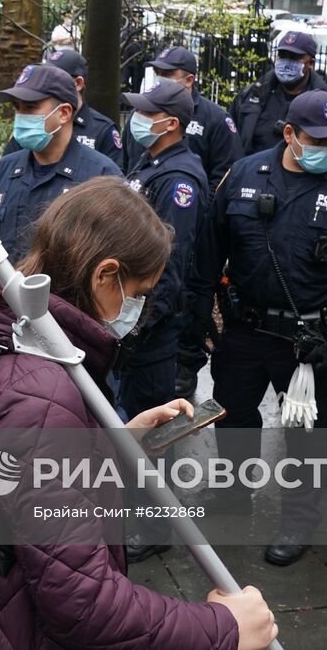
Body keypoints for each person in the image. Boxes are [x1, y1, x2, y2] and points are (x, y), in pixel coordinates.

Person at [0, 178, 278, 650]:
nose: (138, 308)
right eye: (138, 292)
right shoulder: (39, 387)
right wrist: (223, 629)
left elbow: (13, 482)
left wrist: (112, 443)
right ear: (105, 275)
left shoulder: (9, 328)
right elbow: (84, 604)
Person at [202, 90, 327, 566]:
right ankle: (234, 494)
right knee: (234, 416)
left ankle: (299, 520)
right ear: (289, 134)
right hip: (245, 329)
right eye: (317, 138)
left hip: (311, 338)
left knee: (309, 434)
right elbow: (207, 252)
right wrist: (197, 316)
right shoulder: (245, 174)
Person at [117, 82, 210, 425]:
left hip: (151, 333)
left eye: (146, 113)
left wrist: (133, 326)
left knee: (151, 427)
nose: (137, 118)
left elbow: (169, 267)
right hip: (134, 320)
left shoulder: (178, 179)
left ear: (171, 123)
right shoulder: (152, 161)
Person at [0, 64, 121, 261]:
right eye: (17, 107)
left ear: (64, 113)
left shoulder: (100, 176)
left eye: (31, 106)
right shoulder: (0, 172)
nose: (21, 116)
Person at [121, 46, 244, 182]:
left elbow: (225, 176)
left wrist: (197, 201)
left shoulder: (216, 119)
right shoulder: (139, 114)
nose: (160, 79)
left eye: (167, 74)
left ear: (189, 80)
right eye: (158, 73)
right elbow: (124, 164)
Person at [229, 31, 327, 158]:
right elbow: (230, 142)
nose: (286, 62)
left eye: (294, 57)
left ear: (311, 63)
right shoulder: (252, 95)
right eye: (282, 56)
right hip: (255, 173)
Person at [2, 49, 121, 164]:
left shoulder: (102, 129)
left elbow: (113, 179)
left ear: (78, 83)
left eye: (57, 75)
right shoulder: (29, 126)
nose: (46, 79)